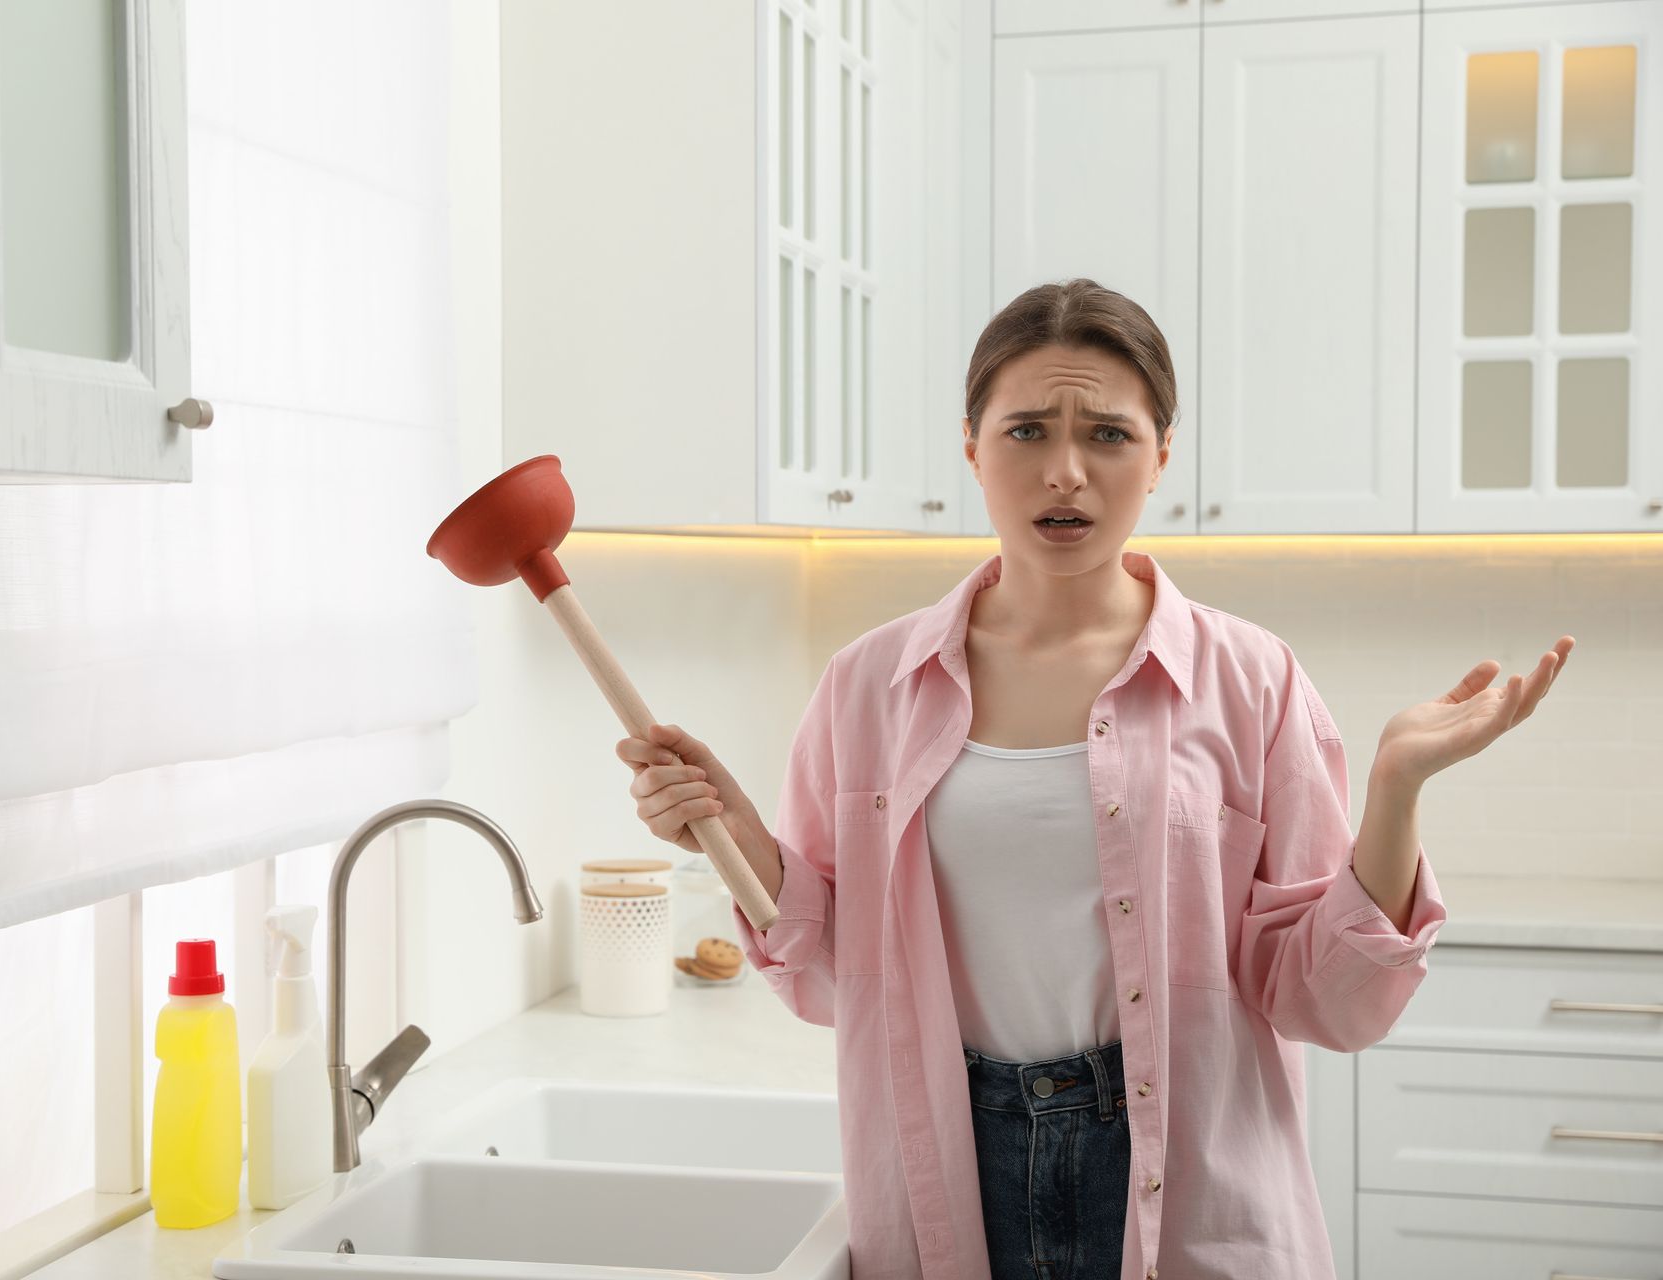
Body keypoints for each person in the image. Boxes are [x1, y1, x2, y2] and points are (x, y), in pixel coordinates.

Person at [616, 278, 1571, 1280]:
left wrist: (1396, 791)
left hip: (1182, 1164)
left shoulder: (1252, 679)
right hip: (949, 1160)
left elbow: (1321, 997)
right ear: (972, 446)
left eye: (1108, 435)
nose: (1065, 471)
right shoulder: (869, 686)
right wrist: (732, 832)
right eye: (1027, 429)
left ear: (1161, 455)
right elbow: (832, 974)